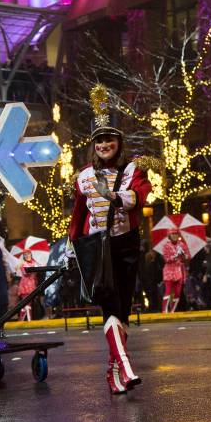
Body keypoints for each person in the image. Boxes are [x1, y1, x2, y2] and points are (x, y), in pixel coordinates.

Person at [68, 85, 151, 395]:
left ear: (119, 142)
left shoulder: (134, 170)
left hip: (126, 245)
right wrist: (71, 251)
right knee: (109, 307)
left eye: (110, 138)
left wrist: (113, 195)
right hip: (96, 249)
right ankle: (126, 365)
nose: (104, 144)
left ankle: (112, 370)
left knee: (123, 310)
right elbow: (77, 217)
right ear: (94, 144)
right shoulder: (82, 176)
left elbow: (139, 198)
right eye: (99, 139)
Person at [161, 231, 190, 313]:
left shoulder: (182, 245)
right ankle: (164, 311)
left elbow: (187, 257)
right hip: (169, 272)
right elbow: (166, 259)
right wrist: (176, 256)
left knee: (177, 293)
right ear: (169, 235)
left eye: (176, 234)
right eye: (173, 234)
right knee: (168, 291)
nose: (175, 236)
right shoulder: (166, 246)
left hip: (179, 271)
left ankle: (172, 311)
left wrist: (184, 255)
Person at [16, 250, 37, 321]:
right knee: (26, 303)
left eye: (28, 254)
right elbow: (26, 273)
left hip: (32, 285)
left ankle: (21, 319)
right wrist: (33, 268)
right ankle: (28, 319)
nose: (27, 255)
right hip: (25, 286)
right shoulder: (23, 264)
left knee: (27, 303)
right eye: (25, 254)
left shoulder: (34, 263)